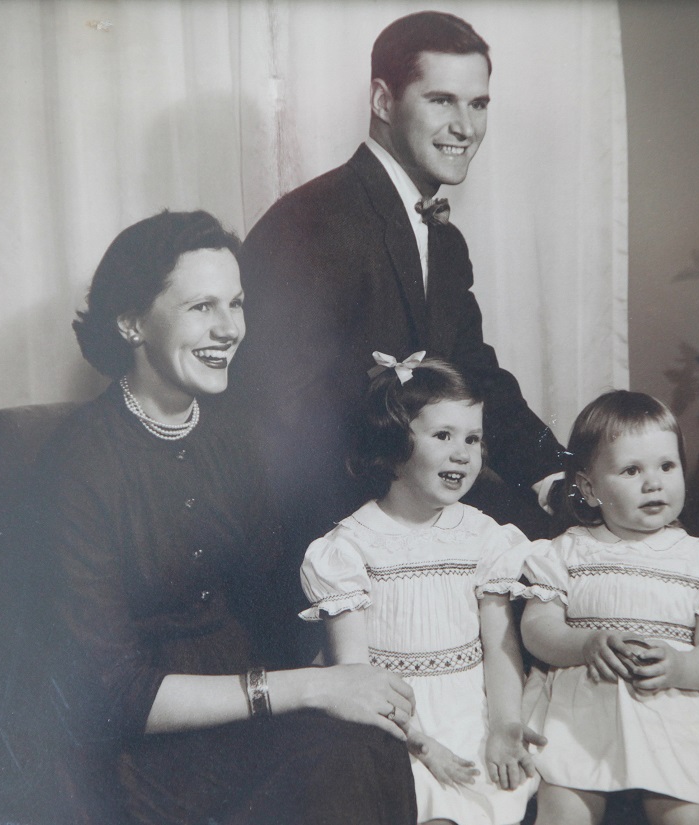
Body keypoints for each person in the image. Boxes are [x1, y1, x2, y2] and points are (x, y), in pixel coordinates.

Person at [41, 210, 418, 824]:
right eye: (200, 307)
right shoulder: (80, 462)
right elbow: (111, 693)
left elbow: (284, 595)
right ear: (132, 323)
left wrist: (348, 673)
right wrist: (310, 688)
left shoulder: (238, 434)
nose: (228, 330)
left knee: (367, 745)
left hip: (252, 712)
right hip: (143, 747)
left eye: (236, 304)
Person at [230, 11, 565, 611]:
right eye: (441, 101)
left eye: (479, 104)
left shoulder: (442, 236)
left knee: (579, 562)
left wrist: (553, 475)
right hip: (329, 540)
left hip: (410, 506)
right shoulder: (313, 222)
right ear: (383, 100)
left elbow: (474, 373)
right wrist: (391, 546)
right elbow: (278, 423)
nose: (465, 127)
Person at [518, 391, 699, 825]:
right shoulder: (564, 553)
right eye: (631, 470)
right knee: (563, 807)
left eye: (667, 465)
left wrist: (682, 667)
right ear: (589, 487)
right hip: (581, 709)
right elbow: (538, 628)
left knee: (688, 812)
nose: (653, 482)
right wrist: (583, 644)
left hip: (674, 707)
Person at [299, 353, 542, 825]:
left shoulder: (484, 535)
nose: (463, 453)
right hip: (391, 727)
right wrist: (422, 743)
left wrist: (504, 723)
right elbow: (357, 678)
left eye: (473, 438)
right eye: (443, 436)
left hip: (470, 714)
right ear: (394, 444)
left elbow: (499, 643)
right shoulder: (350, 547)